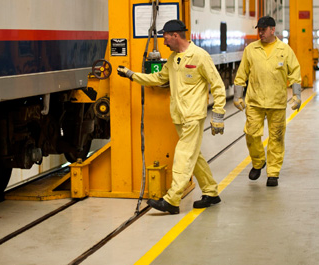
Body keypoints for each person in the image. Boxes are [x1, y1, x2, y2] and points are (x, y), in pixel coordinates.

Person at [117, 19, 226, 214]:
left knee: (183, 155)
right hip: (178, 116)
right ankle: (211, 192)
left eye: (165, 36)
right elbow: (158, 79)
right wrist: (132, 75)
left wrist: (218, 115)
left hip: (193, 115)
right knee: (194, 156)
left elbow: (217, 85)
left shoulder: (200, 56)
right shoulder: (173, 59)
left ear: (175, 35)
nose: (163, 41)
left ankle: (172, 200)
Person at [233, 16, 301, 187]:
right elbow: (242, 74)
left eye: (263, 30)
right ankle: (258, 162)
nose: (260, 33)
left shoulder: (284, 50)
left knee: (276, 139)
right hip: (255, 101)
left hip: (276, 102)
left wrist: (297, 95)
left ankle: (273, 173)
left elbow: (295, 73)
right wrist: (237, 96)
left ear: (272, 30)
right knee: (251, 134)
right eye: (259, 30)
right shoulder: (251, 50)